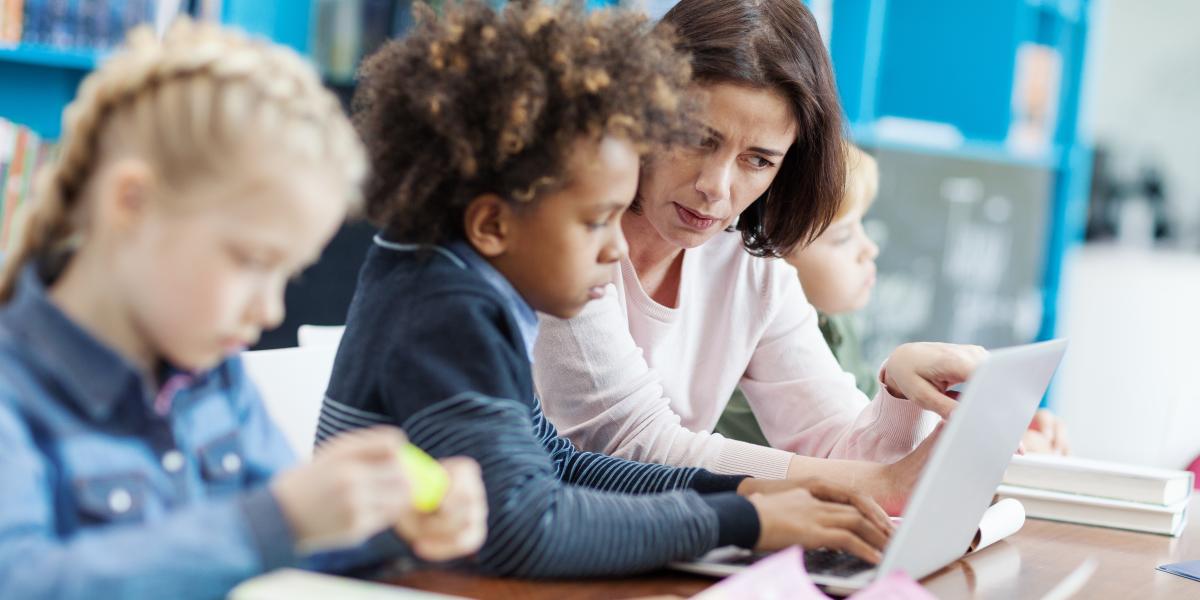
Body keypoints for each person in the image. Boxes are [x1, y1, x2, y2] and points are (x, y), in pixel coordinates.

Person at [321, 0, 894, 577]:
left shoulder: (476, 296)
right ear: (493, 224)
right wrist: (741, 520)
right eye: (597, 220)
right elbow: (524, 529)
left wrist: (744, 492)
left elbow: (566, 466)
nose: (617, 246)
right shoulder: (445, 312)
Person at [0, 22, 486, 600]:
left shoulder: (215, 378)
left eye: (287, 274)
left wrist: (388, 521)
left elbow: (292, 529)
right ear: (131, 202)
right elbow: (21, 582)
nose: (270, 309)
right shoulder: (13, 393)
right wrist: (278, 520)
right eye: (253, 261)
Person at [533, 0, 986, 514]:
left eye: (758, 160)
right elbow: (631, 446)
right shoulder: (572, 238)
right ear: (640, 112)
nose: (715, 187)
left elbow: (844, 454)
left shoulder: (752, 272)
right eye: (696, 138)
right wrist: (876, 483)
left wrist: (898, 391)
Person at [714, 144, 1071, 454]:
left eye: (862, 226)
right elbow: (855, 450)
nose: (869, 248)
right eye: (842, 237)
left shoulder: (838, 321)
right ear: (767, 253)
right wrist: (997, 442)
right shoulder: (746, 370)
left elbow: (874, 420)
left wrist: (1007, 427)